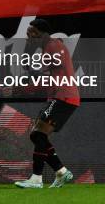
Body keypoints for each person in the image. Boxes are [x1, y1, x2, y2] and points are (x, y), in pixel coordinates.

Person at [14, 18, 79, 189]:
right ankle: (61, 172)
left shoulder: (53, 46)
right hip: (59, 97)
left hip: (63, 97)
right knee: (38, 135)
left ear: (38, 33)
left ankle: (37, 178)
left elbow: (52, 77)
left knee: (38, 134)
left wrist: (22, 88)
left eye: (29, 34)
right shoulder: (49, 47)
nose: (27, 38)